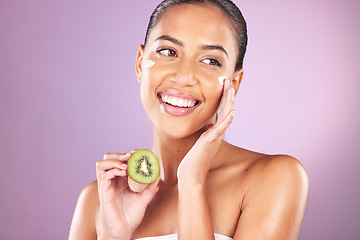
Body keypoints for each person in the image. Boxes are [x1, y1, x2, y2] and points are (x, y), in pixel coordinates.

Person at [69, 0, 309, 239]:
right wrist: (114, 236)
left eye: (210, 61)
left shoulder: (273, 178)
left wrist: (192, 182)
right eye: (168, 51)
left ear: (233, 83)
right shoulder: (98, 199)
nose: (184, 76)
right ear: (141, 64)